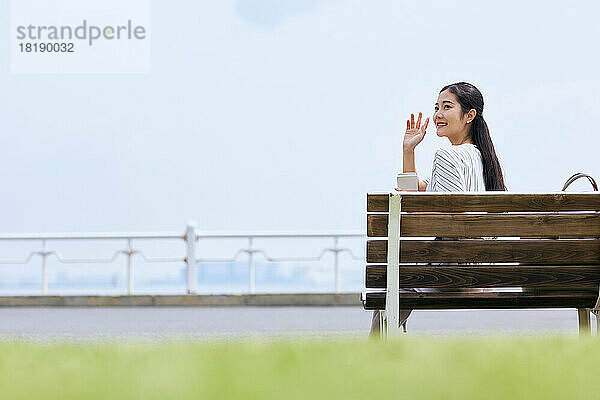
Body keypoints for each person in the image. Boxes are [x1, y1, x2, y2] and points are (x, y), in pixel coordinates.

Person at [370, 82, 508, 337]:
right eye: (436, 108)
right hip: (483, 272)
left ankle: (375, 354)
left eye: (447, 107)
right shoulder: (482, 158)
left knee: (394, 287)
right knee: (399, 284)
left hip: (454, 273)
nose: (438, 115)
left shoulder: (448, 156)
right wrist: (408, 150)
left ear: (470, 115)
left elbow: (439, 218)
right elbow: (422, 192)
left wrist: (416, 208)